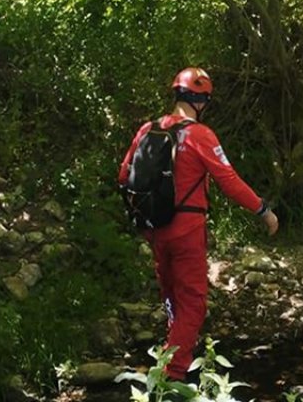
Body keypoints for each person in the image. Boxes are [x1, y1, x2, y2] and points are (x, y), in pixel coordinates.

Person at [117, 67, 279, 380]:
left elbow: (124, 176)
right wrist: (263, 211)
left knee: (170, 293)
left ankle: (172, 345)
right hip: (187, 231)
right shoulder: (199, 135)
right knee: (193, 302)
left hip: (154, 229)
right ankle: (170, 376)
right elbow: (229, 181)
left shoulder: (147, 129)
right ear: (202, 101)